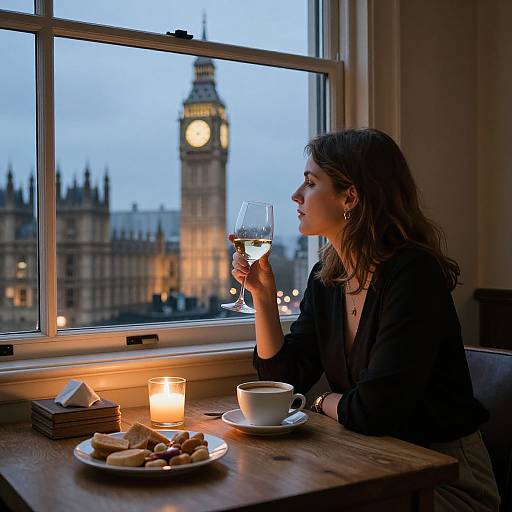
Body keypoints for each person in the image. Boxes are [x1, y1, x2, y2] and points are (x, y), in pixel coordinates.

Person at [230, 129, 500, 511]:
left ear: (350, 197)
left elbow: (376, 410)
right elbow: (284, 380)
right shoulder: (327, 276)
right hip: (372, 458)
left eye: (310, 182)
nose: (295, 195)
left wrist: (320, 400)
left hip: (443, 474)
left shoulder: (413, 274)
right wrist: (262, 298)